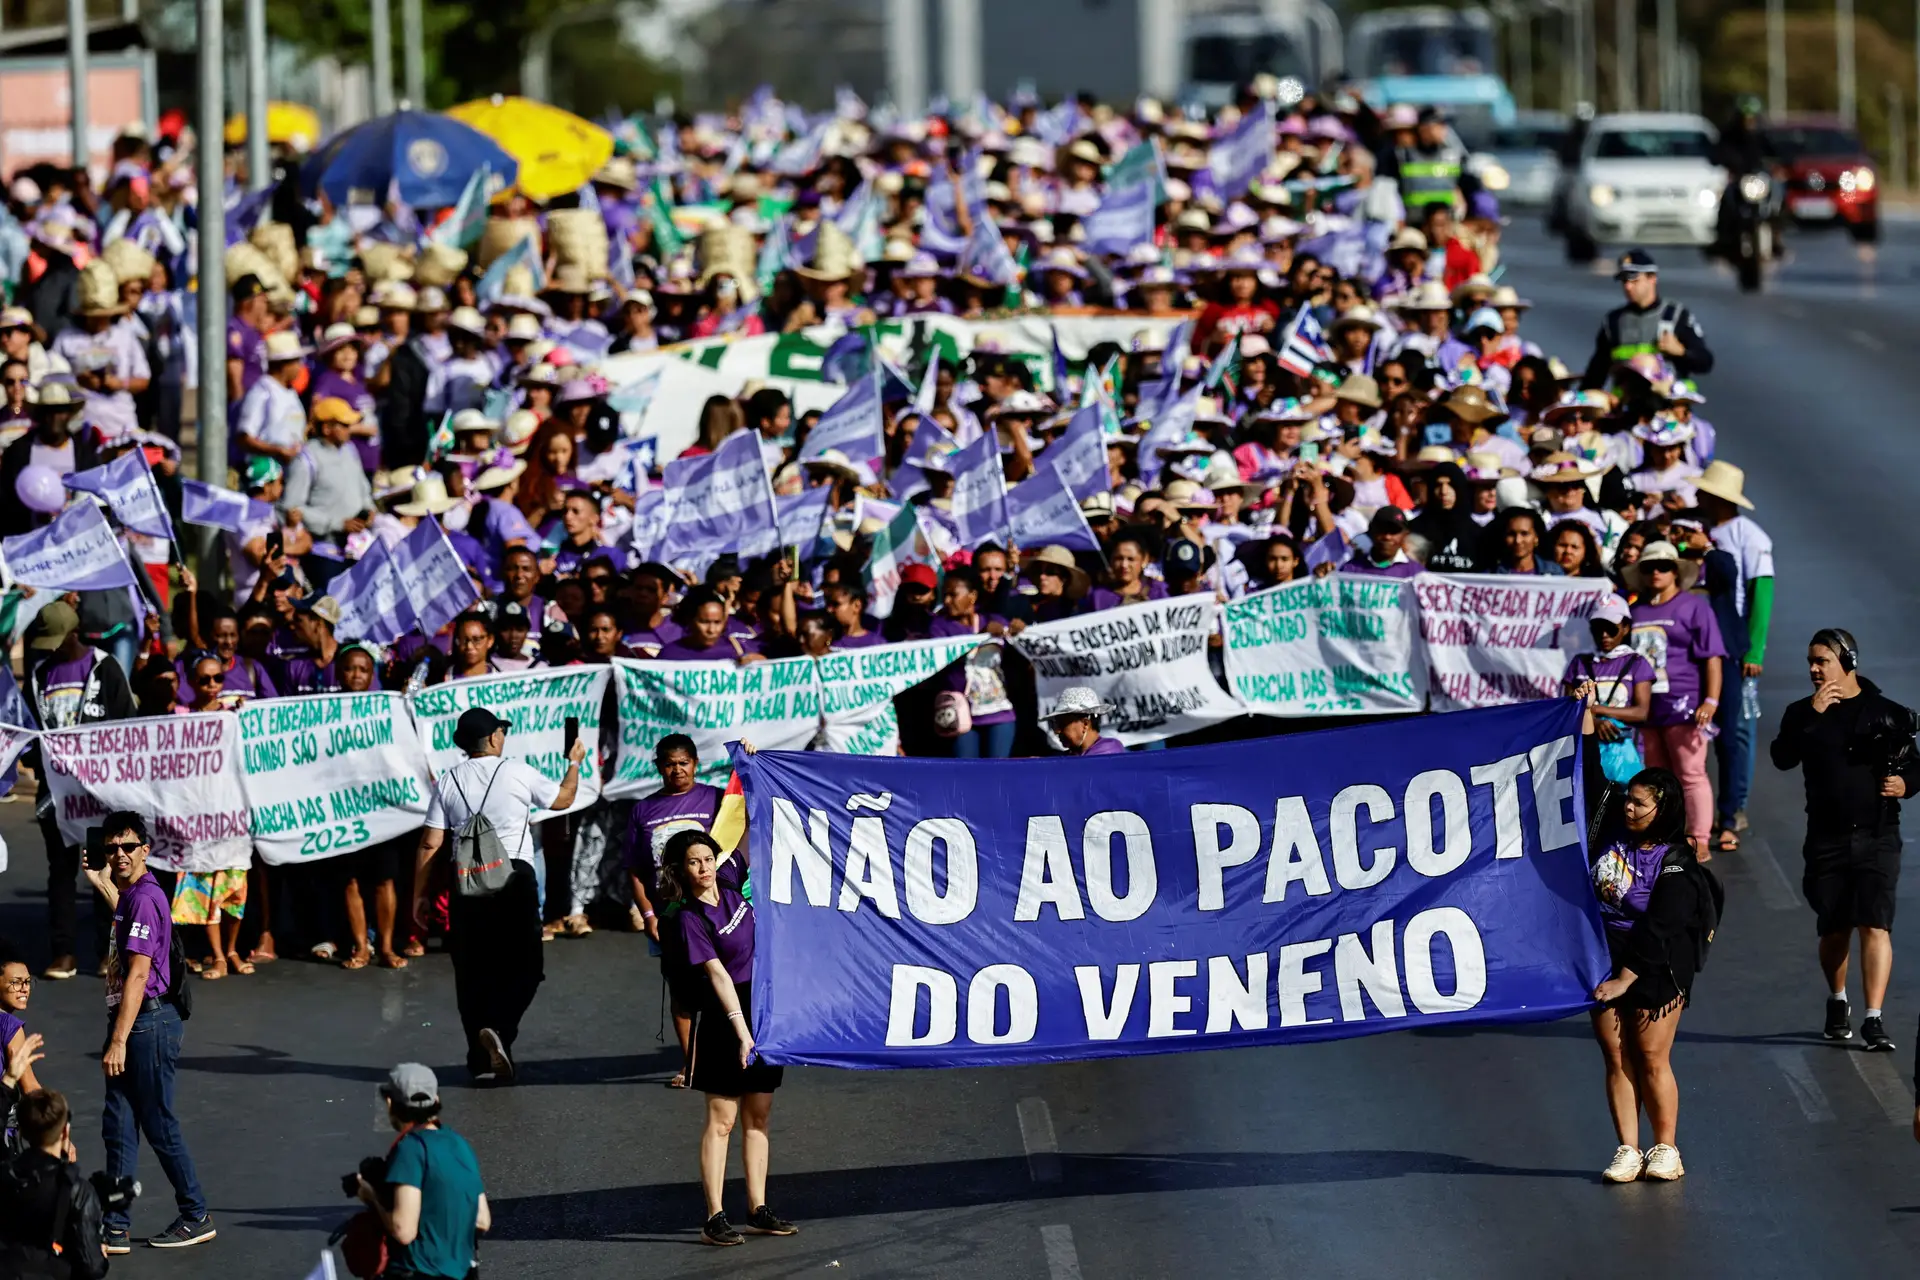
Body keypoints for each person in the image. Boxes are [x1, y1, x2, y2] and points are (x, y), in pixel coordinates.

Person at [414, 709, 587, 1084]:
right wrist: (574, 763)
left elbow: (431, 843)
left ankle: (480, 1059)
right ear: (493, 738)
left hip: (466, 881)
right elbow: (562, 800)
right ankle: (501, 1032)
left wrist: (420, 896)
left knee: (471, 970)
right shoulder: (516, 771)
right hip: (513, 875)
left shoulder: (448, 780)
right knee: (527, 966)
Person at [1770, 629, 1919, 1051]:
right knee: (1835, 928)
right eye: (1811, 663)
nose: (1815, 670)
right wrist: (1813, 718)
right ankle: (1839, 1001)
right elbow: (1782, 757)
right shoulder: (1801, 713)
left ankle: (1874, 1017)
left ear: (1848, 661)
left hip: (1877, 835)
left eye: (1823, 661)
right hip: (1826, 837)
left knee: (1875, 922)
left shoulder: (1883, 712)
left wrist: (1905, 784)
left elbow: (1916, 766)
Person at [79, 811, 212, 1251]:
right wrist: (101, 883)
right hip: (136, 1022)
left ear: (145, 850)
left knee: (158, 1123)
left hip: (147, 1025)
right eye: (111, 848)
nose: (118, 854)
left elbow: (138, 972)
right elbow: (131, 932)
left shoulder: (146, 898)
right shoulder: (132, 896)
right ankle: (116, 1226)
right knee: (118, 1124)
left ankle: (195, 1213)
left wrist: (118, 1038)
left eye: (127, 847)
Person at [660, 828, 796, 1248]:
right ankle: (714, 1217)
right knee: (723, 1121)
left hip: (761, 1005)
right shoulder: (689, 918)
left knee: (759, 1116)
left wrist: (760, 765)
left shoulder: (730, 880)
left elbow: (751, 834)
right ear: (681, 870)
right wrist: (742, 1034)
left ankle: (758, 1209)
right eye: (694, 862)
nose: (704, 868)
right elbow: (718, 977)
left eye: (708, 859)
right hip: (724, 1018)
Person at [1588, 768, 1717, 1184]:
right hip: (1605, 954)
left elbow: (1663, 924)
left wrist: (1627, 977)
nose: (1628, 807)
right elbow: (1590, 773)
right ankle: (1628, 1148)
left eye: (1639, 803)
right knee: (1616, 1056)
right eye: (1628, 798)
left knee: (1650, 1056)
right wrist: (1584, 711)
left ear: (1662, 809)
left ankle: (1667, 1149)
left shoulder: (1677, 860)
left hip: (1657, 962)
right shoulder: (1611, 829)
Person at [25, 602, 134, 981]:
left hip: (98, 796)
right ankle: (63, 952)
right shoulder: (39, 675)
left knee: (105, 870)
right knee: (61, 872)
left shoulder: (104, 667)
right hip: (55, 796)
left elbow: (127, 725)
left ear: (74, 635)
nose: (51, 649)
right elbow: (28, 729)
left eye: (57, 641)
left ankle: (110, 953)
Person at [627, 736, 723, 1089]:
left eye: (684, 762)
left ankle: (736, 1053)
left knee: (728, 986)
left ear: (696, 763)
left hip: (716, 913)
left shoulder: (716, 799)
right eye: (669, 763)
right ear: (659, 767)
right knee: (683, 994)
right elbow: (635, 869)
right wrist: (649, 914)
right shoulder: (643, 810)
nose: (677, 769)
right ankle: (692, 1064)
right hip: (669, 919)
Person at [1623, 540, 1725, 858]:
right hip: (1645, 706)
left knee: (1690, 772)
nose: (1656, 572)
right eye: (1649, 566)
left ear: (1676, 572)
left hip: (1684, 704)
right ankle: (1664, 834)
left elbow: (1712, 658)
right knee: (1656, 774)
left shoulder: (1695, 607)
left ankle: (1699, 838)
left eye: (1663, 566)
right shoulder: (1635, 611)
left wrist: (1710, 701)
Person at [354, 1064, 489, 1280]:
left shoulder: (410, 1150)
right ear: (435, 1100)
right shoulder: (458, 1144)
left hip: (419, 1271)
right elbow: (482, 1220)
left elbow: (403, 1230)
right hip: (463, 1272)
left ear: (390, 1103)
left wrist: (372, 1197)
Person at [0, 1084, 110, 1280]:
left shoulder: (6, 1175)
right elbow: (91, 1267)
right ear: (65, 1132)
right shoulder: (77, 1190)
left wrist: (7, 1084)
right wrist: (100, 1253)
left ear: (22, 1132)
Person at [1579, 250, 1713, 390]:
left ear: (1652, 278)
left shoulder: (1675, 316)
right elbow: (1596, 372)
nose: (1628, 287)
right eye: (1624, 281)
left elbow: (1705, 362)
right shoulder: (1613, 322)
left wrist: (1681, 352)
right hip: (1626, 406)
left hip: (1665, 405)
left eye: (1634, 280)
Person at [1043, 687, 1125, 756]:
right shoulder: (1070, 755)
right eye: (1056, 725)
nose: (1057, 731)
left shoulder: (1109, 749)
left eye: (1062, 725)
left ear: (1085, 724)